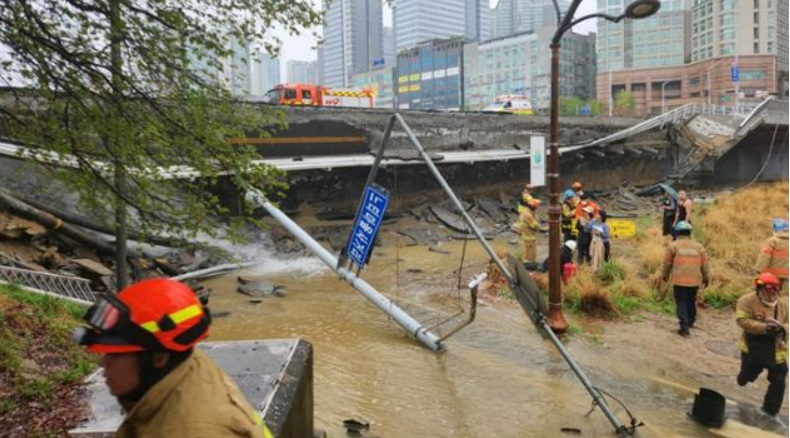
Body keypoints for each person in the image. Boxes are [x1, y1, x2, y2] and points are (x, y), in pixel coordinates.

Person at [71, 278, 273, 438]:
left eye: (116, 354)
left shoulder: (195, 430)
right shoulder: (183, 366)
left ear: (159, 358)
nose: (103, 363)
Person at [735, 272, 788, 418]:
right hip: (753, 348)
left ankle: (770, 411)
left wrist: (782, 328)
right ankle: (743, 378)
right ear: (759, 289)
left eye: (774, 291)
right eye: (767, 290)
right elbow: (741, 320)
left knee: (779, 382)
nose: (771, 295)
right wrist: (764, 328)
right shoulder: (746, 301)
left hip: (777, 350)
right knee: (747, 376)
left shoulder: (784, 305)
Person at [661, 221, 710, 337]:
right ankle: (691, 321)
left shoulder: (673, 246)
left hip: (679, 280)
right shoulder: (699, 246)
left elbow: (666, 263)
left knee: (681, 302)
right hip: (694, 281)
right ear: (690, 232)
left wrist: (665, 275)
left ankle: (684, 327)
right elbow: (705, 265)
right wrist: (706, 278)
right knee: (691, 300)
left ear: (677, 232)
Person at [755, 218, 789, 291]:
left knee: (772, 292)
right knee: (786, 295)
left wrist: (759, 269)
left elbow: (764, 256)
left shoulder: (772, 241)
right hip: (788, 276)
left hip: (773, 274)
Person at [517, 197, 548, 264]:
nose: (537, 207)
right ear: (533, 206)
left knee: (529, 251)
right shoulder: (528, 215)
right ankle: (528, 266)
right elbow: (535, 225)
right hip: (529, 237)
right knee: (529, 253)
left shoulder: (527, 212)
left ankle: (529, 263)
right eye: (536, 206)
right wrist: (545, 228)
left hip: (526, 236)